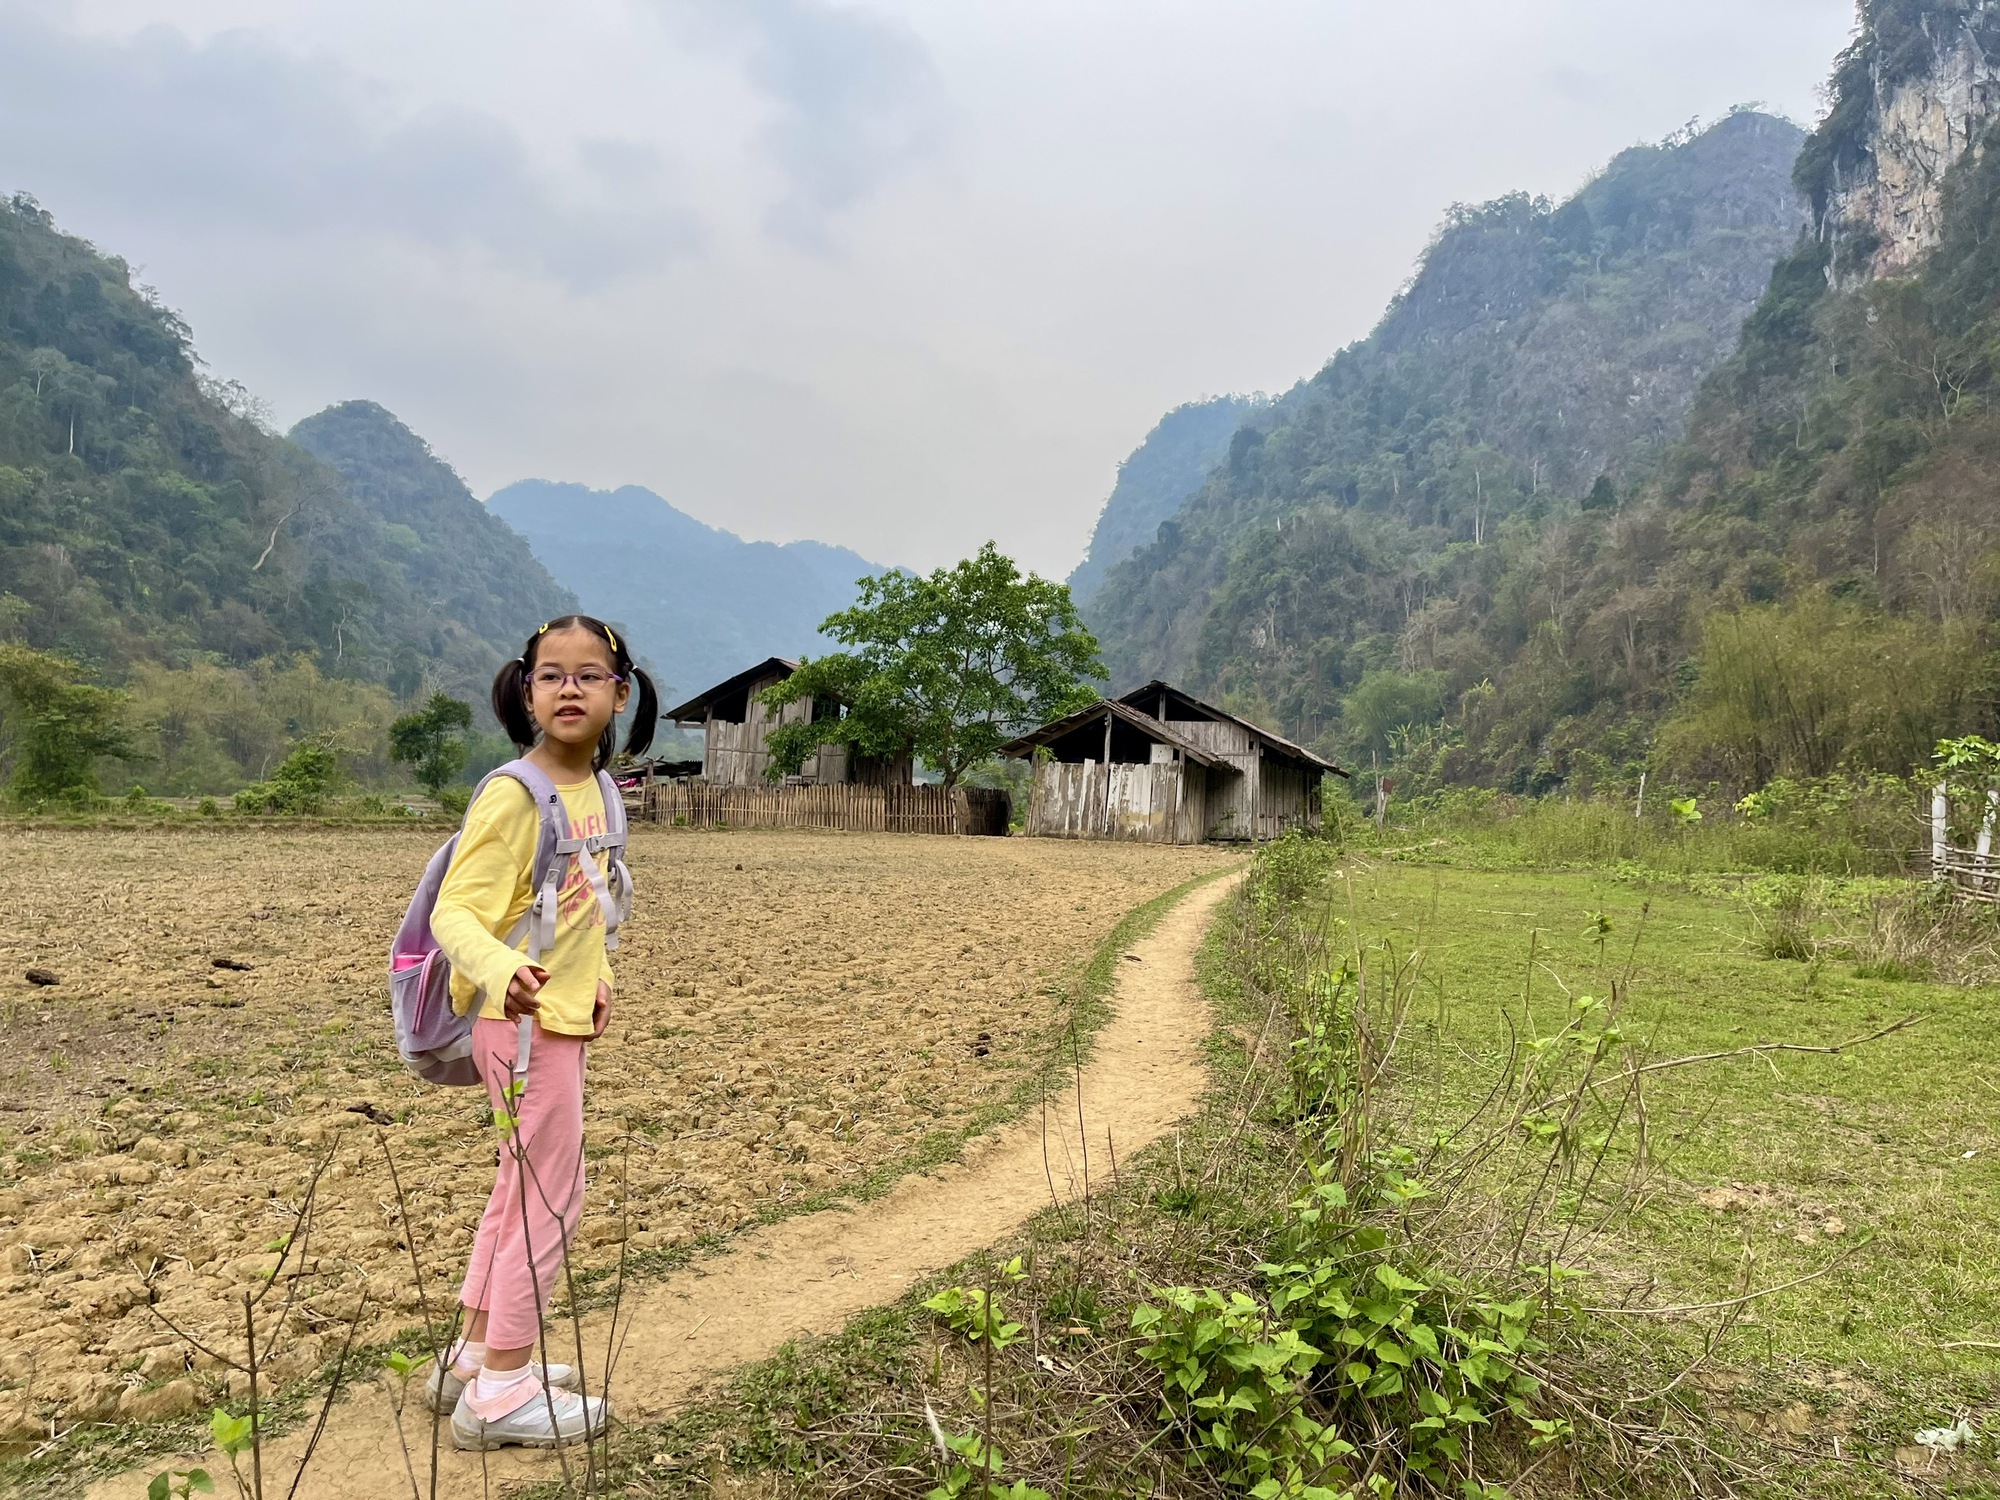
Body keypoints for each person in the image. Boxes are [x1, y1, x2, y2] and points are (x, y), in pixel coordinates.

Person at [423, 615, 658, 1450]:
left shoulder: (598, 792)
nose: (569, 689)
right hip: (519, 1027)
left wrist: (599, 983)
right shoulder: (514, 794)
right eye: (551, 675)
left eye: (588, 676)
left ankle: (473, 1356)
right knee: (552, 1196)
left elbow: (590, 910)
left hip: (557, 1020)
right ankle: (501, 1391)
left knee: (519, 1186)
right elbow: (456, 912)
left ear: (620, 695)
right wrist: (502, 971)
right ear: (527, 692)